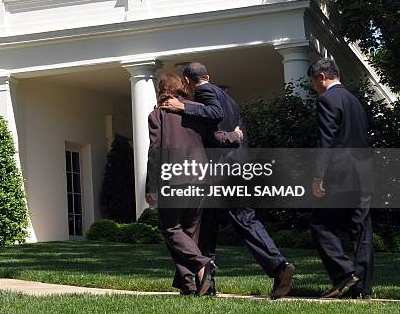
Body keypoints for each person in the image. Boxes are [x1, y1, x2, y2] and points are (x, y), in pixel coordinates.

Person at [160, 62, 295, 299]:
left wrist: (182, 107)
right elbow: (236, 131)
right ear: (208, 75)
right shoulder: (230, 99)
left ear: (189, 81)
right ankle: (275, 267)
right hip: (237, 166)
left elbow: (214, 116)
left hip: (221, 169)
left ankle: (205, 281)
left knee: (208, 226)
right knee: (235, 221)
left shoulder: (204, 92)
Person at [145, 73, 242, 296]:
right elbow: (216, 139)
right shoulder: (197, 111)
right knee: (189, 234)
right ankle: (188, 285)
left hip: (174, 177)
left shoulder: (157, 115)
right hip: (200, 178)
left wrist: (151, 186)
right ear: (181, 87)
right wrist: (235, 135)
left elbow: (155, 153)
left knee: (170, 228)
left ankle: (202, 264)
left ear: (161, 90)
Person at [308, 58, 373, 299]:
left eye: (313, 82)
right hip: (363, 173)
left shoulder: (327, 99)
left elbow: (327, 141)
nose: (315, 87)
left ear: (322, 77)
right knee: (360, 232)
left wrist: (318, 176)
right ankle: (362, 289)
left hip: (341, 175)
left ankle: (344, 273)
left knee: (320, 225)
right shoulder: (354, 100)